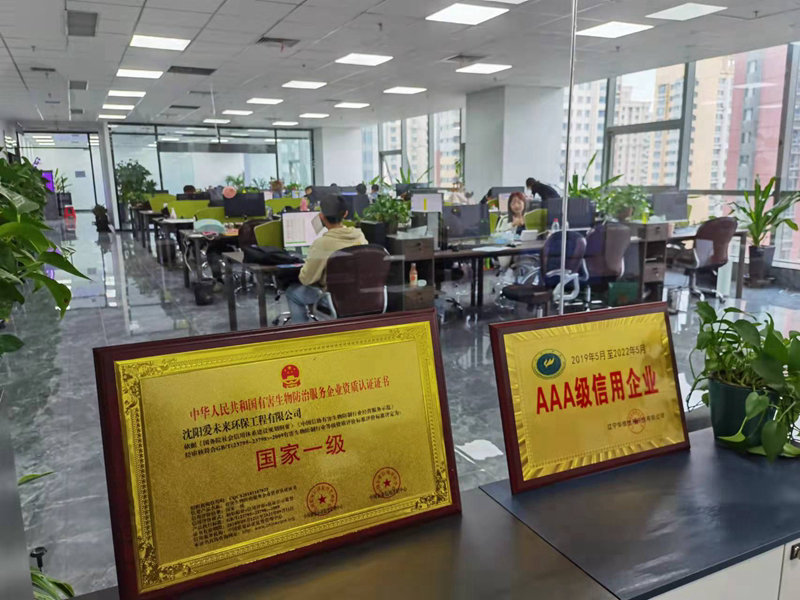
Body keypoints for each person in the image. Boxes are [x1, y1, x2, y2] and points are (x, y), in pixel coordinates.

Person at [285, 195, 368, 323]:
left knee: (293, 292)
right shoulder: (360, 237)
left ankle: (302, 332)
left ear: (321, 216)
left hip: (333, 299)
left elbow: (306, 279)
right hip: (360, 296)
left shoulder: (322, 244)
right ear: (345, 214)